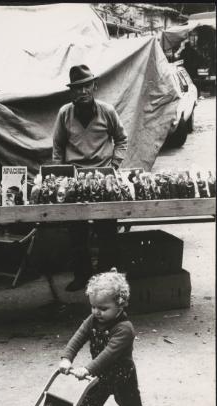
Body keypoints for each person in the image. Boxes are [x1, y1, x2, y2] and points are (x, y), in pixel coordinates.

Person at [59, 269, 157, 406]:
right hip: (100, 376)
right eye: (93, 307)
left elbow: (109, 354)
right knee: (88, 404)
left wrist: (87, 369)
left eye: (103, 308)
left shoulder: (124, 329)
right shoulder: (93, 320)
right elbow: (79, 336)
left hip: (122, 375)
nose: (97, 312)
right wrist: (67, 357)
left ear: (120, 305)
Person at [52, 64, 128, 291]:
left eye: (87, 86)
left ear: (94, 86)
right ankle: (82, 276)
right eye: (77, 88)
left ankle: (105, 279)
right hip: (75, 178)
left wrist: (114, 166)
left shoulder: (107, 111)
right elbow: (58, 147)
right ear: (71, 92)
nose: (83, 92)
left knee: (107, 228)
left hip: (104, 176)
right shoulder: (65, 113)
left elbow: (121, 139)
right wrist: (60, 176)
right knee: (77, 231)